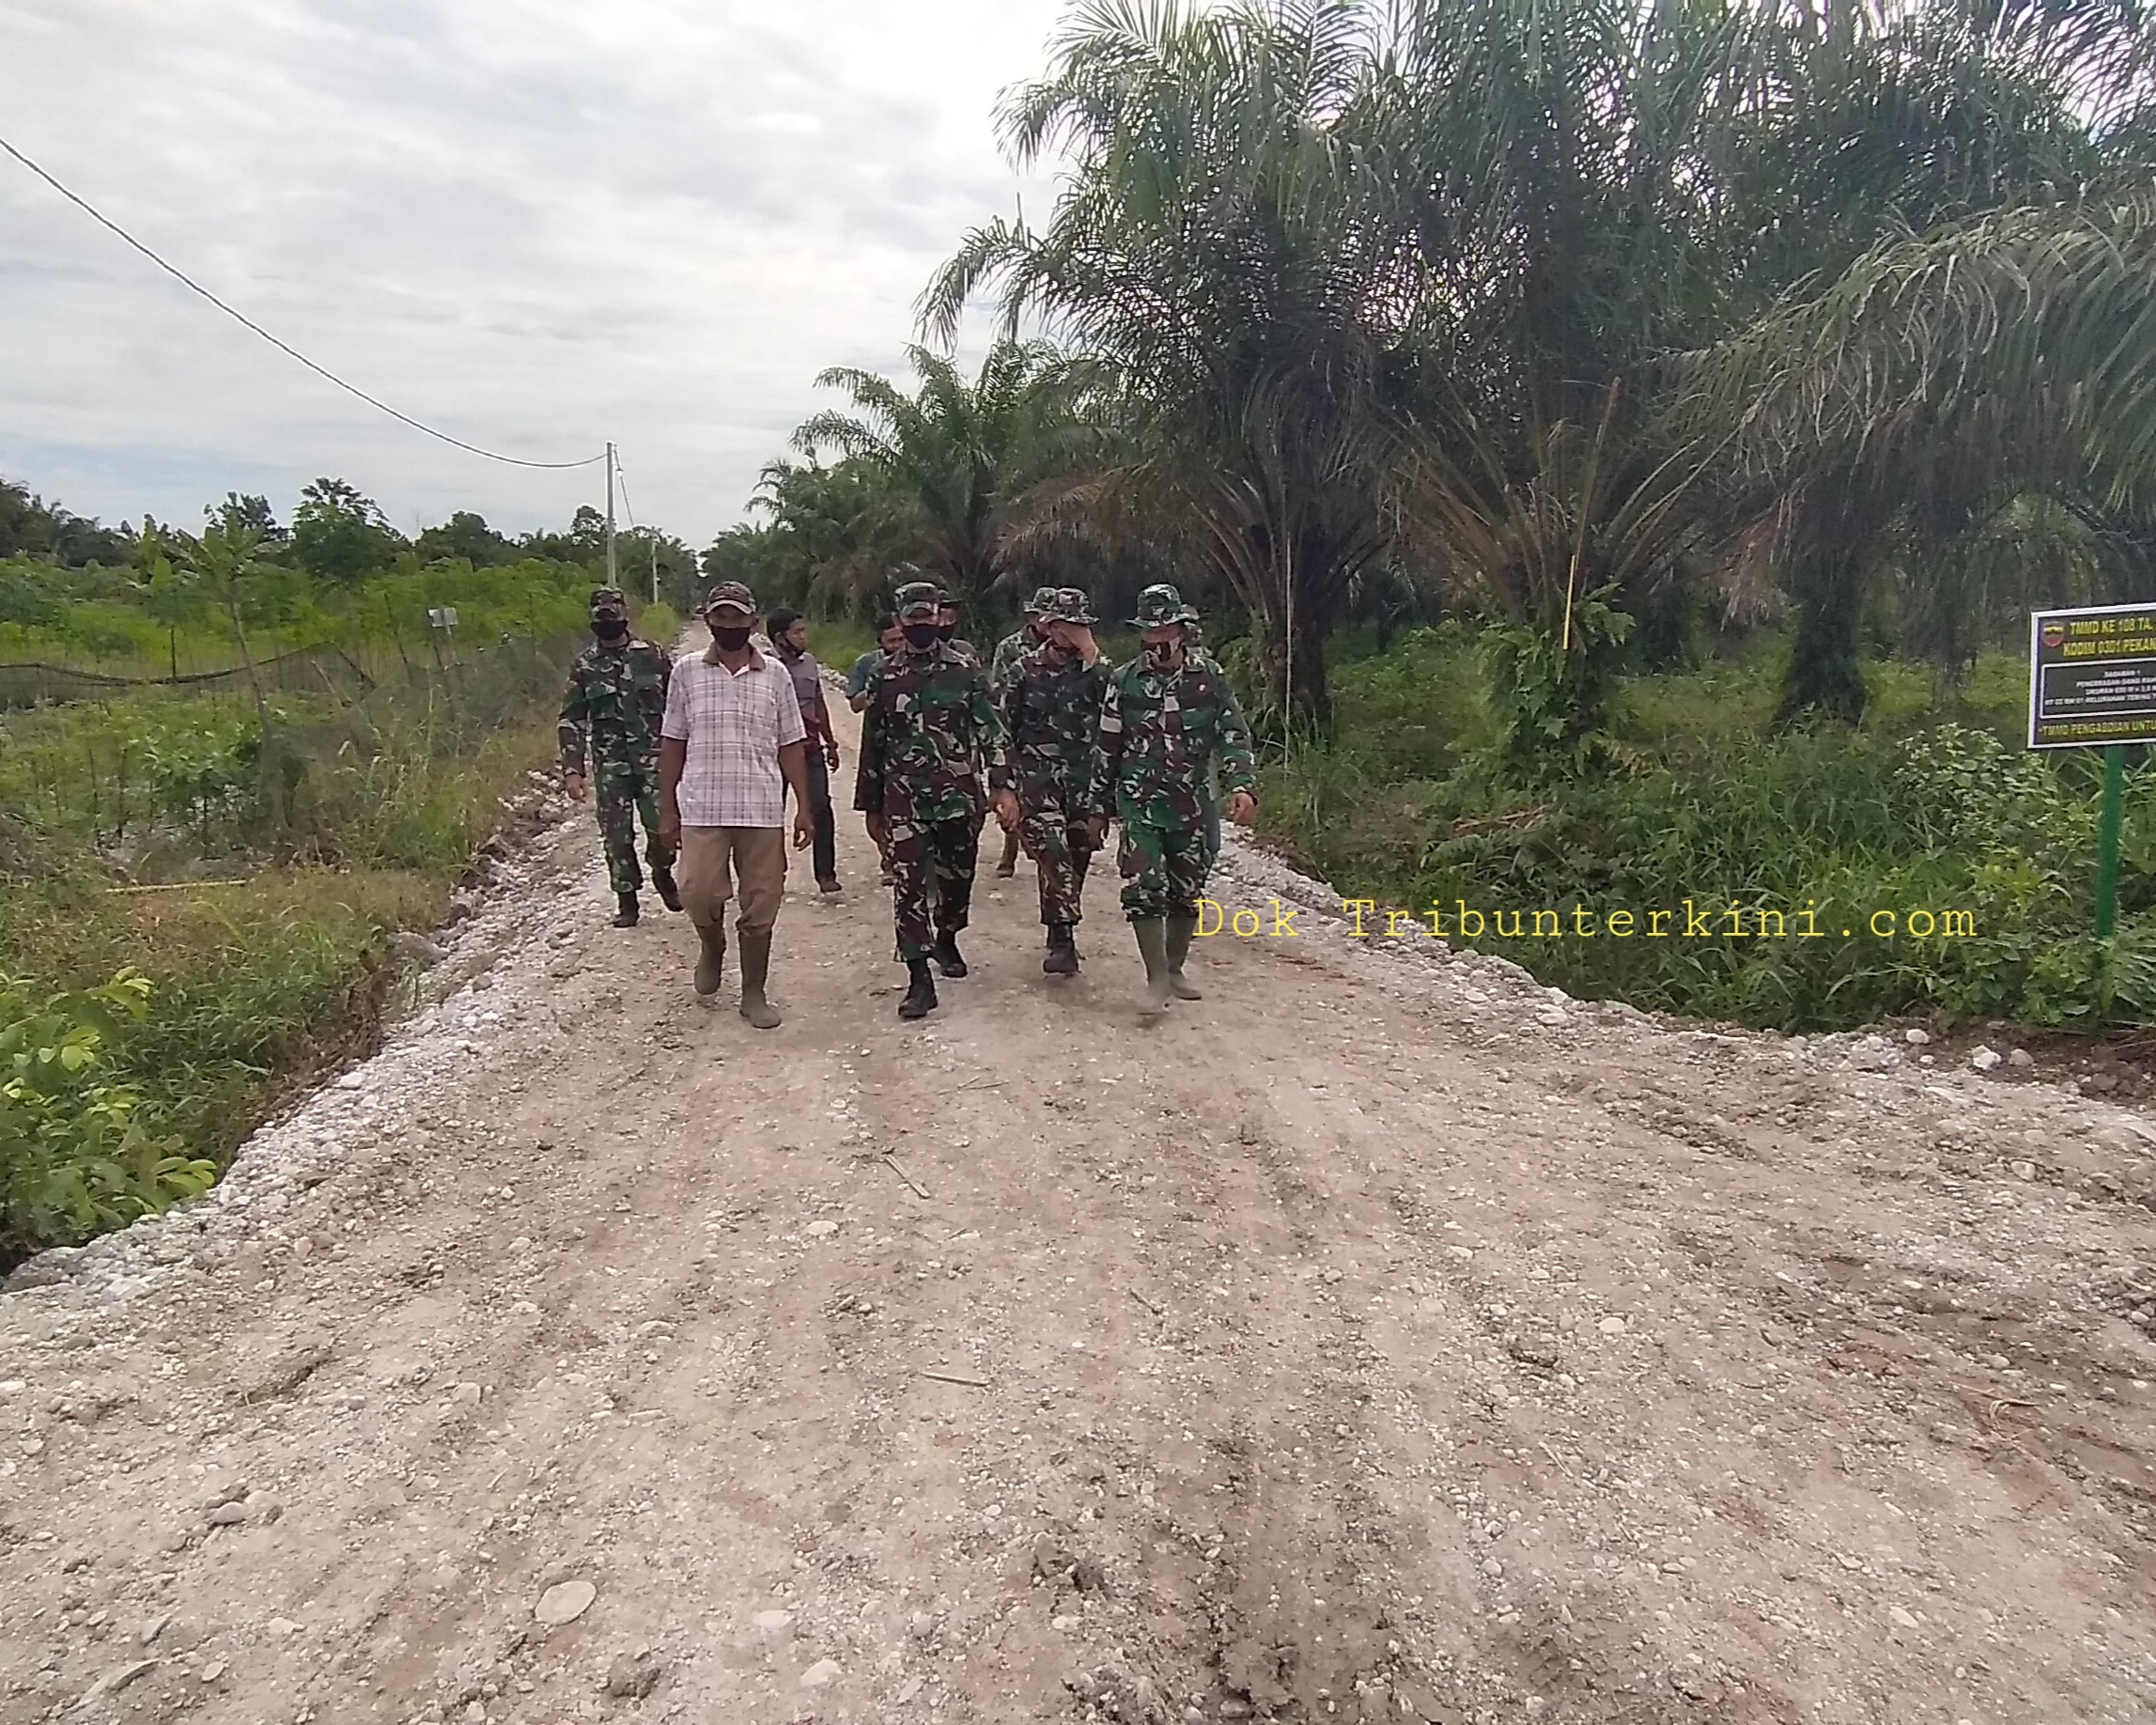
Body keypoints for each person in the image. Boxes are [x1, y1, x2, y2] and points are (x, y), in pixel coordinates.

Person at [1090, 583, 1259, 1021]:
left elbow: (1233, 733)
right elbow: (1107, 746)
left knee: (1187, 889)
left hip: (1191, 801)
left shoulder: (1210, 677)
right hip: (1138, 801)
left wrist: (1242, 784)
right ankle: (1156, 978)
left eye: (1166, 627)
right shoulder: (1124, 681)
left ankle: (1176, 966)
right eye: (1150, 629)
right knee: (1144, 887)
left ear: (1183, 630)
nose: (1158, 637)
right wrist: (1097, 807)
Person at [658, 582, 815, 1030]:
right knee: (697, 891)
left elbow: (790, 743)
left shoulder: (776, 675)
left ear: (753, 620)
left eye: (737, 617)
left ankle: (753, 991)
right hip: (703, 806)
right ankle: (711, 945)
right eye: (720, 617)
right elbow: (673, 740)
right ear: (708, 620)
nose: (729, 625)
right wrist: (667, 807)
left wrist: (804, 805)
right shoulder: (686, 672)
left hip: (761, 808)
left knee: (763, 901)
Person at [854, 580, 1002, 1020]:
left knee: (957, 878)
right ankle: (919, 979)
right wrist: (872, 804)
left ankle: (949, 934)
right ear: (901, 620)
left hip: (958, 796)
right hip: (904, 797)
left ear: (940, 616)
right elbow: (873, 741)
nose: (921, 624)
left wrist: (1001, 785)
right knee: (908, 886)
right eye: (913, 617)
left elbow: (991, 729)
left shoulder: (965, 669)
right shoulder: (885, 674)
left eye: (928, 615)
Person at [991, 588, 1109, 976]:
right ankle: (1062, 935)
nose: (1068, 634)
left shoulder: (1096, 671)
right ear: (1048, 626)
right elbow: (1002, 729)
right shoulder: (1024, 669)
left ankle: (1062, 934)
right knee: (1052, 851)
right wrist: (1003, 785)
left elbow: (1120, 703)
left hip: (1082, 780)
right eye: (1062, 625)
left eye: (1076, 625)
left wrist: (1090, 650)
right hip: (1036, 779)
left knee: (1078, 852)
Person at [559, 586, 679, 927]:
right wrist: (573, 770)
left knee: (663, 827)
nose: (607, 620)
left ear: (625, 615)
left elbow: (678, 705)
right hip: (610, 764)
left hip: (654, 759)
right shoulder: (584, 666)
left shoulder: (652, 655)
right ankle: (627, 900)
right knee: (616, 833)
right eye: (601, 615)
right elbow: (572, 718)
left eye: (613, 613)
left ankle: (662, 870)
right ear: (593, 621)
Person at [768, 607, 842, 893]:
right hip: (773, 751)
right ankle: (774, 872)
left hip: (809, 748)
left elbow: (818, 702)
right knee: (772, 811)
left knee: (820, 805)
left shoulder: (810, 663)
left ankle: (826, 873)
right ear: (779, 637)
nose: (803, 637)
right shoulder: (764, 666)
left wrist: (830, 742)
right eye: (797, 632)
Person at [987, 586, 1058, 878]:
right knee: (1012, 791)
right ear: (1031, 616)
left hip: (1056, 733)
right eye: (1041, 616)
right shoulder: (1010, 648)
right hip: (1020, 727)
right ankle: (1010, 850)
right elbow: (999, 689)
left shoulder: (1068, 646)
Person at [847, 615, 905, 884]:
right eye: (891, 640)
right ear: (879, 642)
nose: (897, 645)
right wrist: (875, 689)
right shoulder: (868, 665)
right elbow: (855, 705)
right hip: (876, 743)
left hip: (908, 746)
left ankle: (903, 860)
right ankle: (886, 853)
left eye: (900, 638)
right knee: (874, 808)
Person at [937, 594, 982, 669]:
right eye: (941, 618)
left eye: (950, 617)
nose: (945, 623)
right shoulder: (923, 653)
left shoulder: (965, 648)